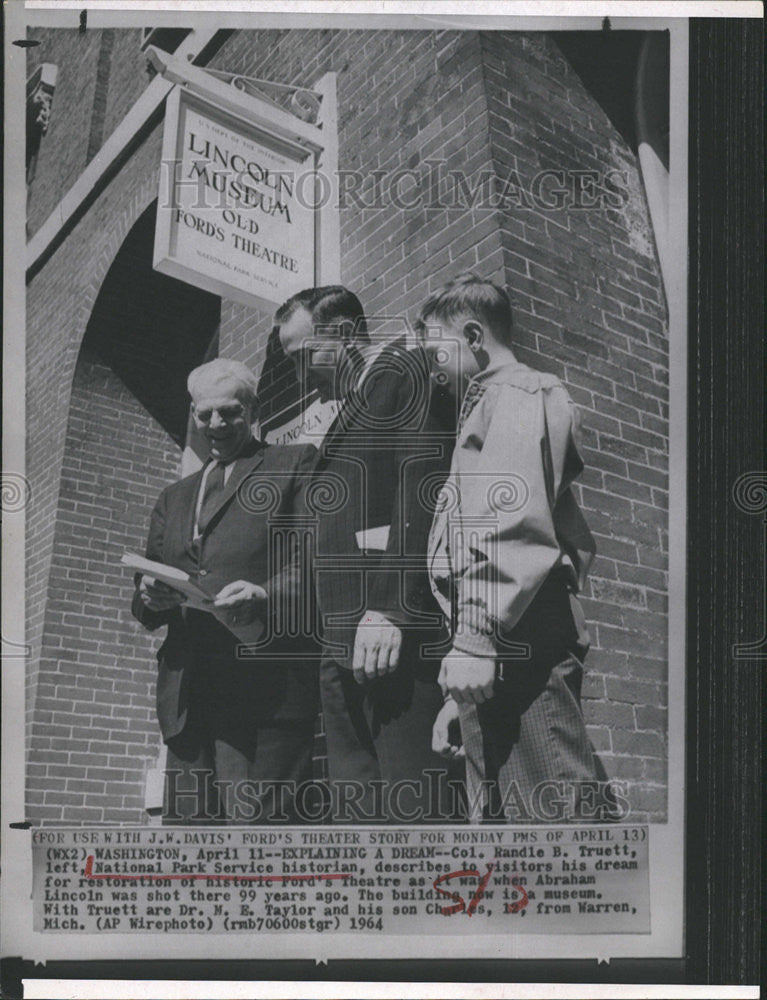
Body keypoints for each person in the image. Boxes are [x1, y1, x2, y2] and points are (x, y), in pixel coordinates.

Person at [418, 273, 605, 823]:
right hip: (502, 639)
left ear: (473, 336)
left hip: (515, 635)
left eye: (437, 352)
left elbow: (509, 525)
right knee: (508, 834)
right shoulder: (491, 404)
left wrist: (476, 637)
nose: (435, 370)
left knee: (552, 831)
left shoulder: (518, 393)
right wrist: (462, 692)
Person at [276, 286, 459, 821]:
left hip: (390, 637)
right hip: (340, 645)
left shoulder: (407, 369)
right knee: (359, 820)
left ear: (346, 333)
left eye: (304, 355)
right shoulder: (343, 408)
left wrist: (393, 607)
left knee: (416, 814)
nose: (301, 374)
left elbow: (425, 488)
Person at [131, 359, 319, 823]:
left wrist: (265, 593)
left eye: (230, 412)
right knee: (190, 850)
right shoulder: (173, 499)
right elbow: (144, 597)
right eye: (205, 413)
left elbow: (317, 562)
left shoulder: (294, 463)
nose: (216, 424)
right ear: (193, 414)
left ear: (252, 411)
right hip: (189, 699)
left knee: (260, 847)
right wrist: (149, 595)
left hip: (264, 696)